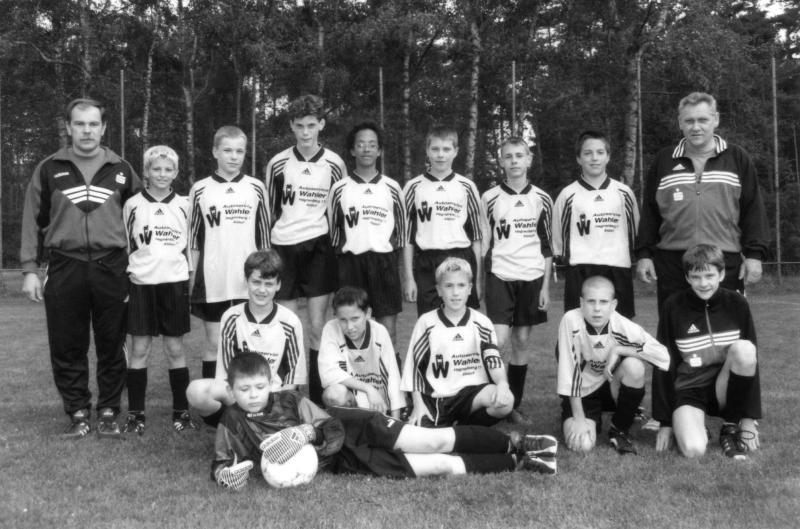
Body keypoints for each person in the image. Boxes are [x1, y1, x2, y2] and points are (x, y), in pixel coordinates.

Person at [212, 353, 558, 490]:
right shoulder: (232, 421)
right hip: (345, 461)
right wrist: (227, 474)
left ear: (271, 383)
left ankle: (517, 442)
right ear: (231, 390)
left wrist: (307, 433)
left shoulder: (289, 400)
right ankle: (520, 462)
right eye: (244, 389)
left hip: (354, 426)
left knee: (432, 441)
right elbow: (223, 462)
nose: (253, 395)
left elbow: (331, 428)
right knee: (438, 465)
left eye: (259, 387)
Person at [20, 98, 142, 438]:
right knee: (66, 344)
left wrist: (143, 267)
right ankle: (77, 412)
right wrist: (29, 269)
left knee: (112, 343)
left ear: (103, 128)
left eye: (93, 124)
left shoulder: (122, 169)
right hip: (65, 265)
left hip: (112, 266)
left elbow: (141, 221)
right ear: (68, 128)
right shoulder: (49, 168)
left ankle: (108, 411)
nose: (87, 131)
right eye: (79, 124)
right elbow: (32, 220)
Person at [635, 92, 769, 312]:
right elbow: (650, 212)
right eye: (689, 121)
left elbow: (753, 210)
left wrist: (754, 255)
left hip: (724, 261)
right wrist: (644, 255)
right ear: (680, 123)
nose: (696, 127)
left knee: (728, 328)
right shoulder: (664, 160)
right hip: (673, 264)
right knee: (674, 329)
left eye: (703, 120)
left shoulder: (737, 158)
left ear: (716, 119)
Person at [265, 94, 347, 405]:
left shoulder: (335, 164)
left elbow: (338, 211)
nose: (305, 132)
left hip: (319, 248)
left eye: (311, 125)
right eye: (299, 126)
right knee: (287, 326)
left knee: (316, 327)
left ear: (321, 124)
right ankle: (286, 398)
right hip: (284, 247)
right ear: (291, 126)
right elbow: (271, 211)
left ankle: (315, 400)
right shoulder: (278, 163)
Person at [652, 244, 761, 459]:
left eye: (709, 276)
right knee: (693, 449)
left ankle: (731, 425)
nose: (703, 284)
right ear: (687, 277)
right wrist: (665, 422)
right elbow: (664, 362)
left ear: (721, 274)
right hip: (690, 389)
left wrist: (749, 418)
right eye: (696, 277)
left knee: (746, 350)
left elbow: (752, 362)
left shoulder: (737, 303)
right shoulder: (673, 306)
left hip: (724, 388)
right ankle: (696, 425)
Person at [120, 145, 196, 435]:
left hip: (174, 284)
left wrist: (190, 281)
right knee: (139, 349)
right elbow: (127, 246)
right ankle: (136, 416)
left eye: (168, 169)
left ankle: (182, 413)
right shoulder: (133, 205)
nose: (162, 174)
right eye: (156, 169)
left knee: (175, 348)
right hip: (141, 284)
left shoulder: (185, 205)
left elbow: (190, 247)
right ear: (147, 172)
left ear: (175, 173)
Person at [186, 249, 306, 427]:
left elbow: (293, 380)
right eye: (256, 282)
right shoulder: (231, 317)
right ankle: (237, 423)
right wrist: (242, 399)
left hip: (272, 396)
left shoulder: (290, 321)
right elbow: (226, 373)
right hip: (239, 394)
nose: (262, 290)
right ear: (246, 281)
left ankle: (259, 425)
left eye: (269, 284)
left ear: (278, 285)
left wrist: (278, 406)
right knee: (196, 391)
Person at [188, 126, 270, 381]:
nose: (234, 157)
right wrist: (191, 279)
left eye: (239, 151)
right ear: (215, 152)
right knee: (215, 342)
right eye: (227, 150)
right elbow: (193, 241)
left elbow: (264, 239)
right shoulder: (200, 189)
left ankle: (250, 398)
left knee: (251, 342)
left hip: (249, 279)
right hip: (213, 279)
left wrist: (265, 277)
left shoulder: (256, 187)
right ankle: (212, 401)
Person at [480, 137, 552, 424]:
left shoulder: (542, 198)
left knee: (521, 340)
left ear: (528, 160)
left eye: (519, 156)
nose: (514, 161)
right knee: (497, 341)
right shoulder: (489, 198)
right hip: (499, 274)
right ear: (501, 162)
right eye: (508, 156)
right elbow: (484, 243)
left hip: (532, 277)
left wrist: (546, 287)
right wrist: (480, 281)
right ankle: (490, 398)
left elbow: (547, 246)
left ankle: (513, 405)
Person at [557, 276, 670, 454]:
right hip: (584, 392)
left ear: (613, 304)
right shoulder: (571, 320)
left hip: (610, 386)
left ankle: (619, 428)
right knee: (583, 445)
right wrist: (578, 418)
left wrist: (619, 349)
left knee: (635, 367)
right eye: (591, 301)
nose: (597, 308)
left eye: (603, 302)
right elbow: (569, 370)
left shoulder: (621, 324)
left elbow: (662, 354)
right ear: (581, 303)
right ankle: (584, 416)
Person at [401, 257, 513, 427]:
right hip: (437, 398)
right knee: (420, 434)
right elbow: (414, 368)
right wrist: (417, 404)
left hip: (472, 394)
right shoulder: (426, 323)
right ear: (439, 290)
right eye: (449, 286)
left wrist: (503, 384)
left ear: (469, 288)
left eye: (461, 285)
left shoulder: (482, 323)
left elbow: (493, 361)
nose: (455, 292)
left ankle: (464, 427)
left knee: (506, 402)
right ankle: (456, 430)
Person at [328, 121, 405, 342]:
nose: (366, 149)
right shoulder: (339, 189)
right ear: (352, 150)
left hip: (384, 264)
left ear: (379, 150)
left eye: (372, 144)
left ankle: (389, 365)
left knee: (387, 331)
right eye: (360, 144)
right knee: (352, 328)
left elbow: (401, 234)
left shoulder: (392, 187)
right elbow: (334, 234)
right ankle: (353, 366)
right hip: (351, 266)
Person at [553, 130, 639, 318]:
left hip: (618, 267)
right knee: (578, 325)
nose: (594, 158)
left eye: (600, 152)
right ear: (578, 158)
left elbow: (635, 233)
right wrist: (563, 259)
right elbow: (558, 237)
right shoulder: (567, 195)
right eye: (587, 153)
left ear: (608, 156)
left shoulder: (624, 193)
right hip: (580, 269)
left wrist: (639, 258)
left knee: (621, 326)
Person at [402, 125, 485, 315]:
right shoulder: (413, 187)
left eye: (446, 149)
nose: (440, 155)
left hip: (461, 258)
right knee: (429, 321)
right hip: (427, 261)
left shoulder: (467, 186)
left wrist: (477, 280)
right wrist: (409, 278)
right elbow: (407, 238)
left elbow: (477, 238)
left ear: (455, 151)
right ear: (427, 150)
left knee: (463, 322)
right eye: (435, 149)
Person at [318, 287, 405, 419]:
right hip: (353, 399)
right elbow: (328, 374)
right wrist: (368, 388)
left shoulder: (379, 331)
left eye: (355, 318)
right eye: (343, 320)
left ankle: (380, 420)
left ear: (368, 313)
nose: (350, 327)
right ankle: (347, 425)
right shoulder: (331, 329)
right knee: (333, 394)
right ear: (336, 317)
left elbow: (392, 376)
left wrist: (395, 419)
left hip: (378, 402)